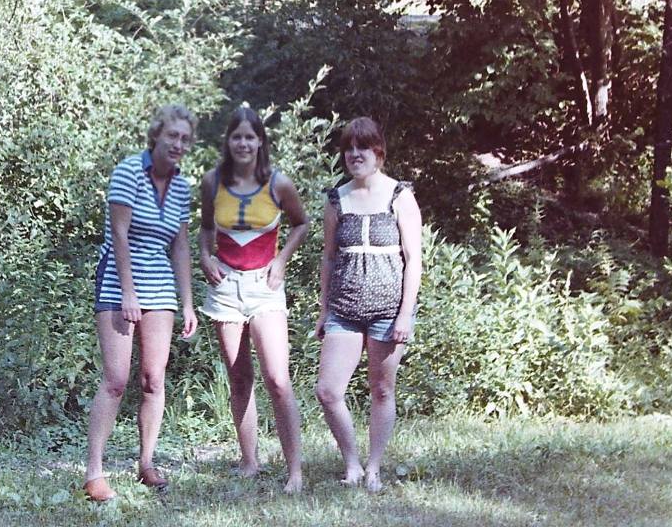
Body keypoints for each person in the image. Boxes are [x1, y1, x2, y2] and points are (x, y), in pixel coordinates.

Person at [83, 104, 199, 502]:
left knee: (153, 379)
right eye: (172, 136)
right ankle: (94, 473)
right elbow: (118, 233)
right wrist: (128, 292)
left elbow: (180, 245)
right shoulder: (129, 171)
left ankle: (146, 463)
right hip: (119, 280)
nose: (178, 144)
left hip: (161, 287)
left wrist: (187, 302)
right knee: (116, 379)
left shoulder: (182, 187)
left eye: (185, 138)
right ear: (157, 136)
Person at [199, 106, 310, 494]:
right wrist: (204, 256)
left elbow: (303, 223)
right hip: (226, 289)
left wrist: (281, 260)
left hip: (265, 287)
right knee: (239, 377)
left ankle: (294, 470)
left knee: (278, 379)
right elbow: (205, 229)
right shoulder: (212, 182)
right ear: (228, 142)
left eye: (250, 136)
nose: (243, 143)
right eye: (236, 137)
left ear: (260, 141)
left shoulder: (279, 184)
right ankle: (249, 461)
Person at [313, 117, 422, 493]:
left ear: (379, 152)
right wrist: (324, 309)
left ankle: (374, 468)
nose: (355, 154)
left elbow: (414, 259)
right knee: (327, 390)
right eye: (349, 148)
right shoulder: (336, 199)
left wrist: (405, 313)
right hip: (343, 308)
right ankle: (352, 464)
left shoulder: (400, 196)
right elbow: (328, 258)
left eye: (363, 147)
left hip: (388, 312)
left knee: (381, 390)